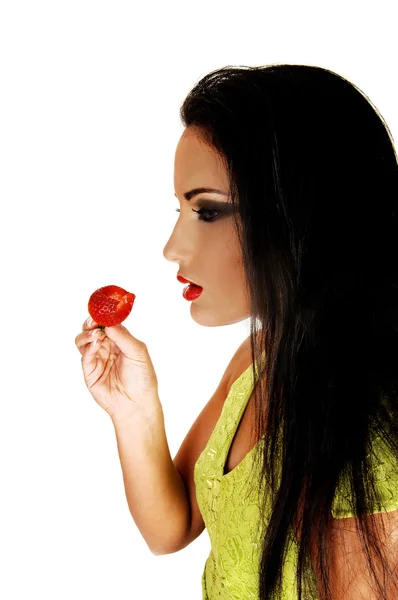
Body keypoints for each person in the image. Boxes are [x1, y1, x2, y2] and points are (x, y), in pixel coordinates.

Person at [75, 64, 398, 599]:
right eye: (180, 209)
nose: (172, 248)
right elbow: (171, 527)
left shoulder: (375, 434)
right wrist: (134, 410)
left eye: (207, 211)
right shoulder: (259, 357)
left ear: (302, 214)